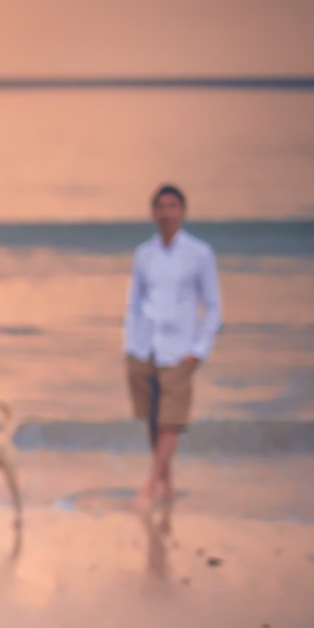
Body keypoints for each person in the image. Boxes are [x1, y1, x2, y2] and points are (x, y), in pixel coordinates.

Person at [124, 183, 223, 526]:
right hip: (144, 347)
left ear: (183, 211)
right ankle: (168, 484)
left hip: (180, 351)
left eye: (172, 206)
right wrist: (130, 345)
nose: (166, 213)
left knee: (171, 421)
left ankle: (150, 485)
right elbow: (134, 303)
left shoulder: (199, 254)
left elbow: (213, 307)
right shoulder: (144, 254)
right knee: (152, 419)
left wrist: (200, 350)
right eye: (160, 207)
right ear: (153, 213)